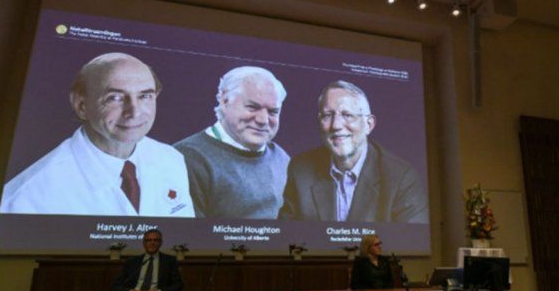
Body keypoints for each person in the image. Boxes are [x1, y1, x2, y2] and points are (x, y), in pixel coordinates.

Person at [0, 53, 194, 217]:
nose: (134, 112)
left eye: (145, 96)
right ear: (81, 106)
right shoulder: (26, 197)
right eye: (115, 98)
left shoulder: (171, 159)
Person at [279, 80, 428, 223]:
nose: (336, 125)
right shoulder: (300, 169)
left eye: (347, 115)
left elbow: (411, 243)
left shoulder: (401, 178)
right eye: (327, 115)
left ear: (369, 125)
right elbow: (288, 237)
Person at [174, 66, 290, 218]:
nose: (263, 120)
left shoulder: (282, 158)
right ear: (225, 100)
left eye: (273, 111)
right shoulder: (185, 158)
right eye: (252, 107)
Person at [111, 229, 183, 291]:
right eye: (148, 240)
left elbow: (178, 285)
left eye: (156, 240)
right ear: (144, 243)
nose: (152, 243)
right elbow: (116, 286)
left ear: (161, 243)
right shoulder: (132, 262)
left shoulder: (169, 261)